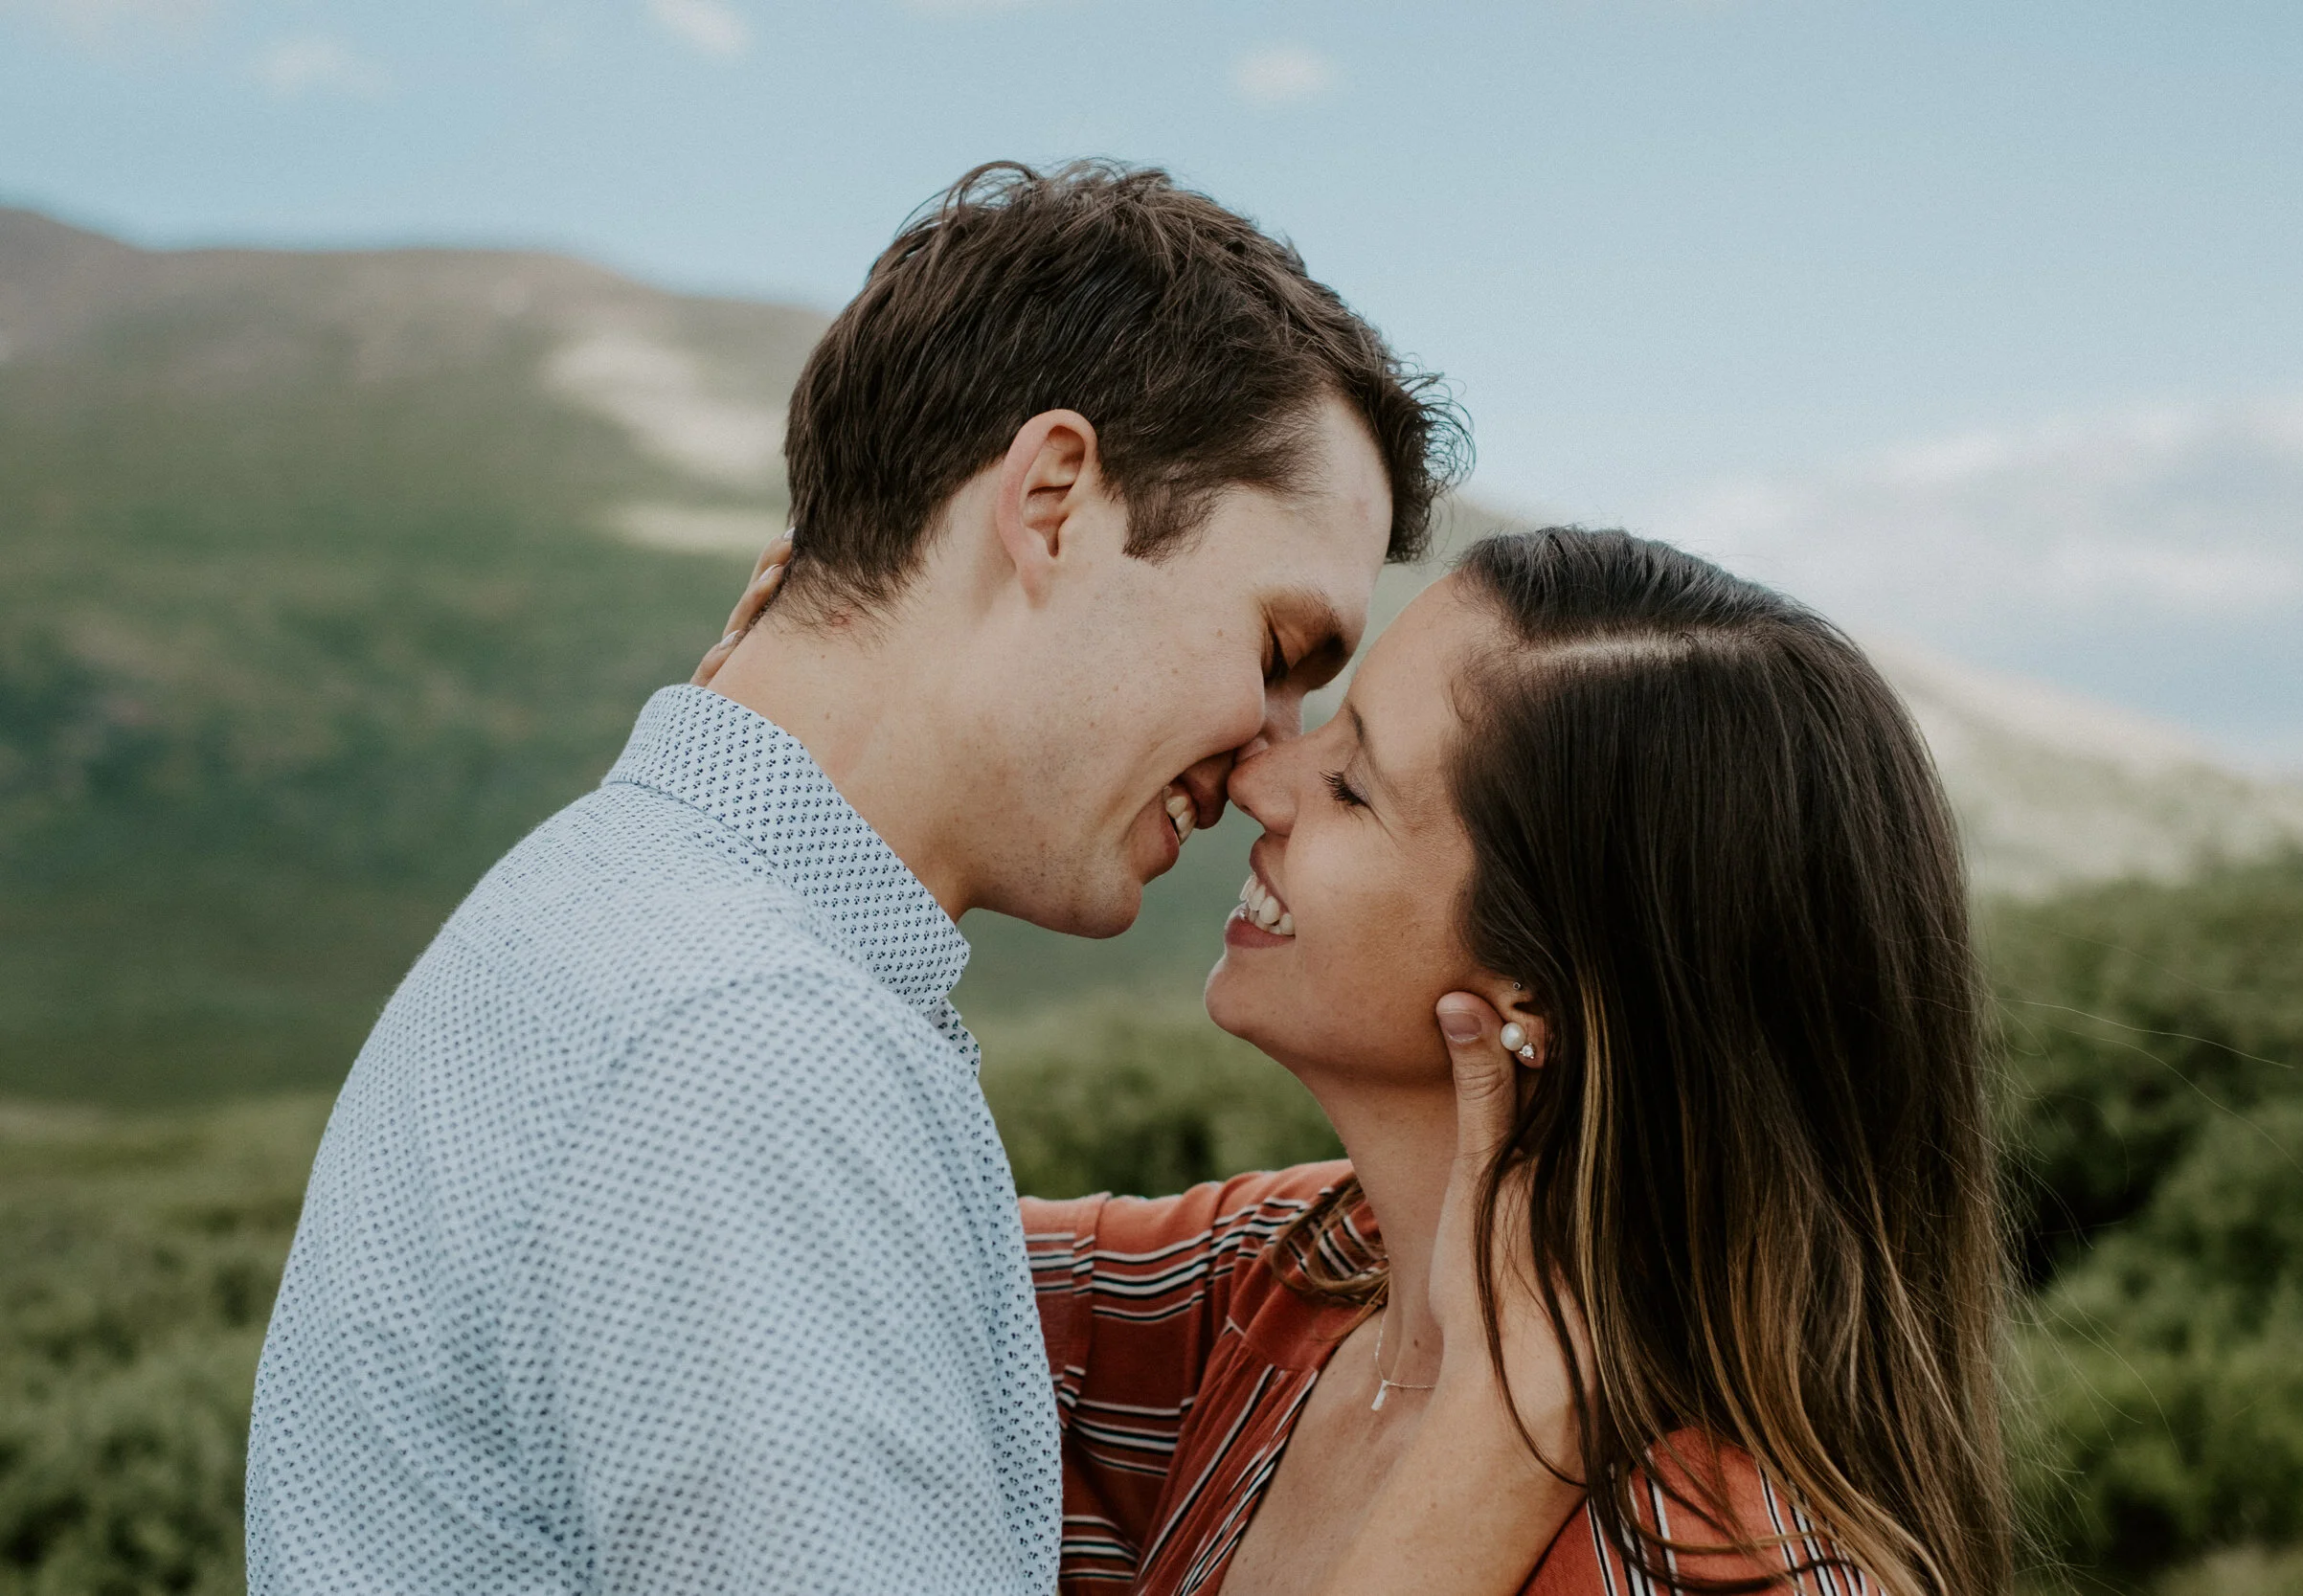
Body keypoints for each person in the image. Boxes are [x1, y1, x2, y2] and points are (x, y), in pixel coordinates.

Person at [243, 161, 1469, 1593]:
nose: (1270, 758)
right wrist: (1491, 1461)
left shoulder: (614, 913)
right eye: (1274, 652)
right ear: (1053, 500)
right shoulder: (753, 1049)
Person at [1005, 528, 2012, 1596]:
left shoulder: (1732, 1570)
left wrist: (1487, 1465)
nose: (1257, 775)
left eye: (1352, 786)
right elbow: (892, 1234)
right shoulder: (1292, 1278)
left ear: (1539, 986)